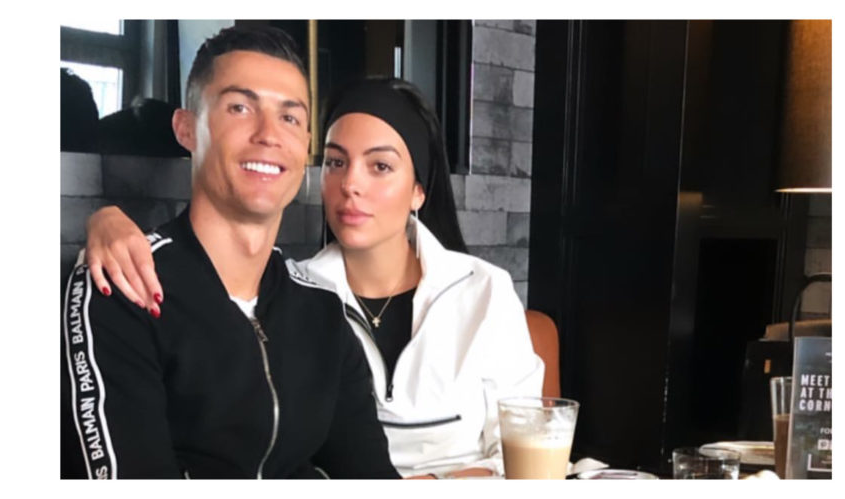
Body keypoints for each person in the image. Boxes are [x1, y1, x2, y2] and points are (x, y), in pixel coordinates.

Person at [83, 77, 544, 478]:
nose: (351, 185)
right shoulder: (299, 297)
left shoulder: (485, 291)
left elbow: (527, 453)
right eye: (336, 162)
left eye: (380, 166)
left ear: (418, 191)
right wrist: (104, 223)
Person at [61, 26, 398, 479]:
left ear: (305, 145)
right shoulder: (122, 287)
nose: (269, 134)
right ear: (186, 129)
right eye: (240, 107)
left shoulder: (322, 311)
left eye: (290, 118)